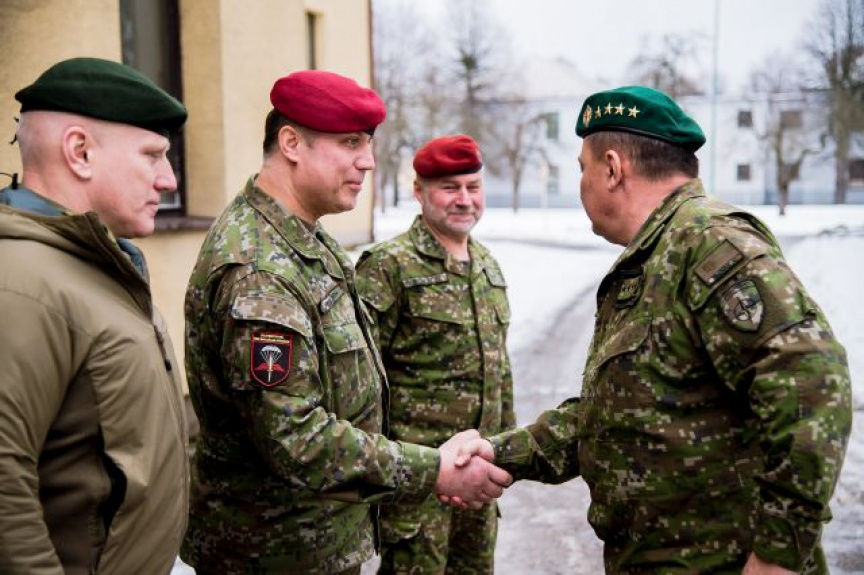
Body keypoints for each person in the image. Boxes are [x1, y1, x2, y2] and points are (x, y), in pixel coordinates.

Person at [453, 86, 852, 574]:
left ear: (613, 168)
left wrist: (778, 554)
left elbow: (813, 384)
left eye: (582, 168)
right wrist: (502, 452)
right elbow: (618, 413)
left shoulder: (709, 243)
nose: (580, 183)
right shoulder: (657, 253)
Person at [182, 70, 511, 574]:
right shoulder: (260, 269)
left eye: (368, 144)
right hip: (273, 553)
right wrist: (432, 469)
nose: (368, 161)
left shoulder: (308, 243)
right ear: (291, 143)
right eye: (350, 142)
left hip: (317, 541)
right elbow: (296, 437)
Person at [0, 57, 190, 573]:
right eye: (152, 156)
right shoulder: (22, 283)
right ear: (80, 151)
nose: (169, 180)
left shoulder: (96, 262)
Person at [355, 135, 515, 574]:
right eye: (450, 187)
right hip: (417, 487)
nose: (465, 199)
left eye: (473, 187)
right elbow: (360, 382)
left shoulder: (487, 265)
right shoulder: (388, 266)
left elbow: (499, 371)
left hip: (478, 482)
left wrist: (505, 450)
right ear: (419, 191)